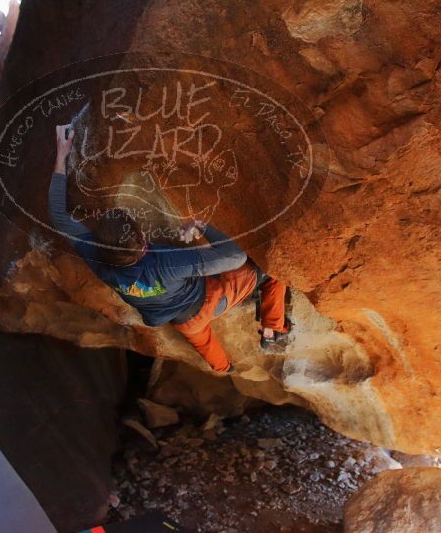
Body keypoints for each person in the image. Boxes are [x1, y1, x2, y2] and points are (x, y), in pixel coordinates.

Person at [48, 125, 289, 374]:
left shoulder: (97, 260)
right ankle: (273, 330)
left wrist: (61, 157)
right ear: (142, 236)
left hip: (180, 322)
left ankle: (223, 367)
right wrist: (200, 226)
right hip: (208, 303)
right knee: (271, 271)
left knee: (201, 339)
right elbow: (235, 258)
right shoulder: (168, 262)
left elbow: (58, 215)